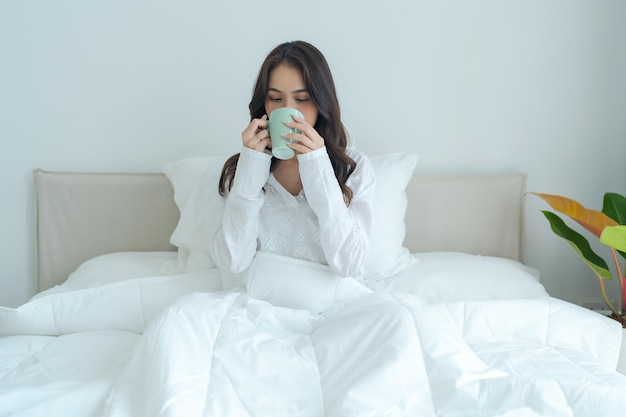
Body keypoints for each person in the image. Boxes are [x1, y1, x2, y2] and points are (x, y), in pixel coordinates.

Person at [211, 40, 377, 280]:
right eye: (276, 99)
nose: (288, 111)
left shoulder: (353, 167)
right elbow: (232, 261)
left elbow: (349, 264)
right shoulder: (243, 168)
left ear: (322, 102)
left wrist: (317, 164)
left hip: (330, 308)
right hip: (259, 306)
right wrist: (251, 167)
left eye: (302, 99)